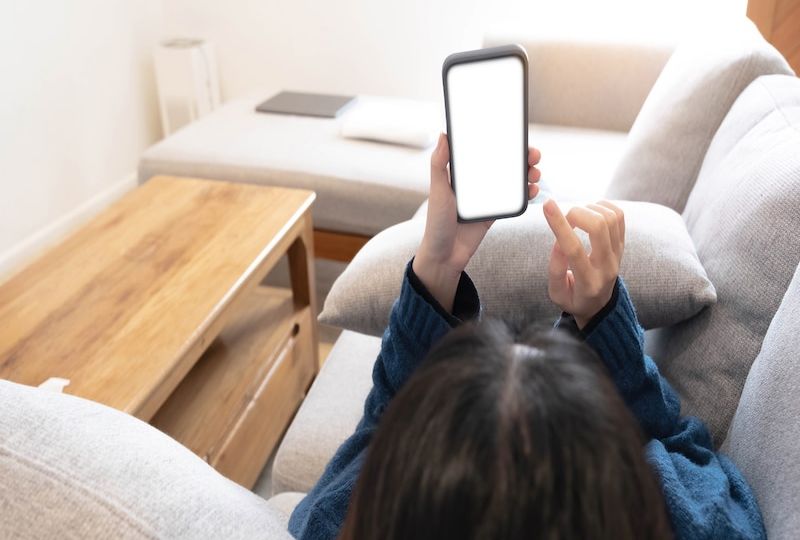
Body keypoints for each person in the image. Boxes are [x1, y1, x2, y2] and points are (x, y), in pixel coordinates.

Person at [288, 134, 766, 539]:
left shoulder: (335, 522)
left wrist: (436, 268)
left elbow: (371, 444)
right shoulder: (685, 520)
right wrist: (604, 323)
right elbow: (688, 461)